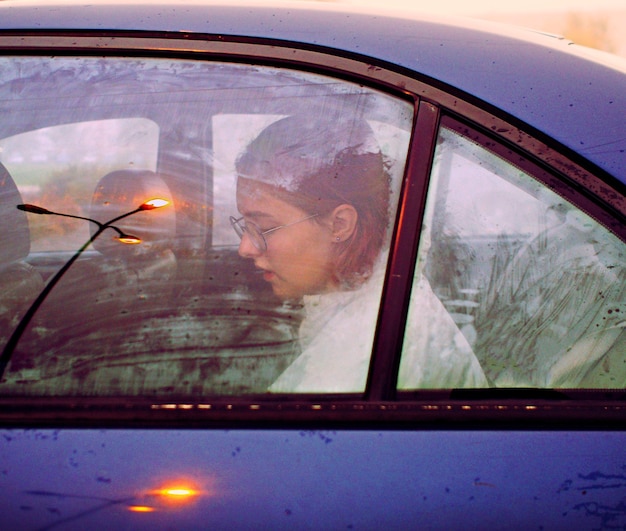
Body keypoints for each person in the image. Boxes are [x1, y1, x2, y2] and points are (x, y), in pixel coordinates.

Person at [231, 114, 487, 392]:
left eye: (264, 227)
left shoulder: (352, 367)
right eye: (245, 226)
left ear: (339, 224)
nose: (245, 247)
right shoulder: (374, 290)